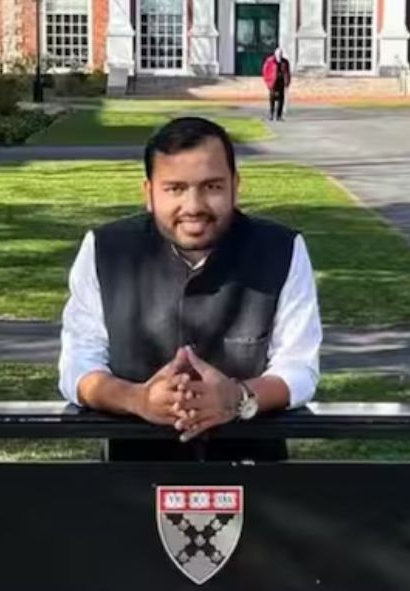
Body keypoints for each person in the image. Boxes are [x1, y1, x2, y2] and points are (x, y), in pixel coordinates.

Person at [57, 117, 322, 462]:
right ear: (149, 193)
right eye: (175, 189)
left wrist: (237, 397)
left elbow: (299, 369)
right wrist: (137, 399)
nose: (194, 206)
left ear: (235, 186)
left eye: (212, 186)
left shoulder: (282, 249)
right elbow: (77, 368)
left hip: (253, 474)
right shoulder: (105, 250)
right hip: (131, 474)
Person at [262, 47, 292, 121]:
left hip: (281, 82)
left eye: (281, 54)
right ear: (275, 54)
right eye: (278, 54)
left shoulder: (285, 62)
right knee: (272, 99)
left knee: (281, 99)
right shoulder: (270, 61)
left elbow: (287, 72)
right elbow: (265, 71)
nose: (279, 56)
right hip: (273, 82)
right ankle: (271, 115)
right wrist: (268, 82)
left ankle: (279, 116)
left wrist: (287, 82)